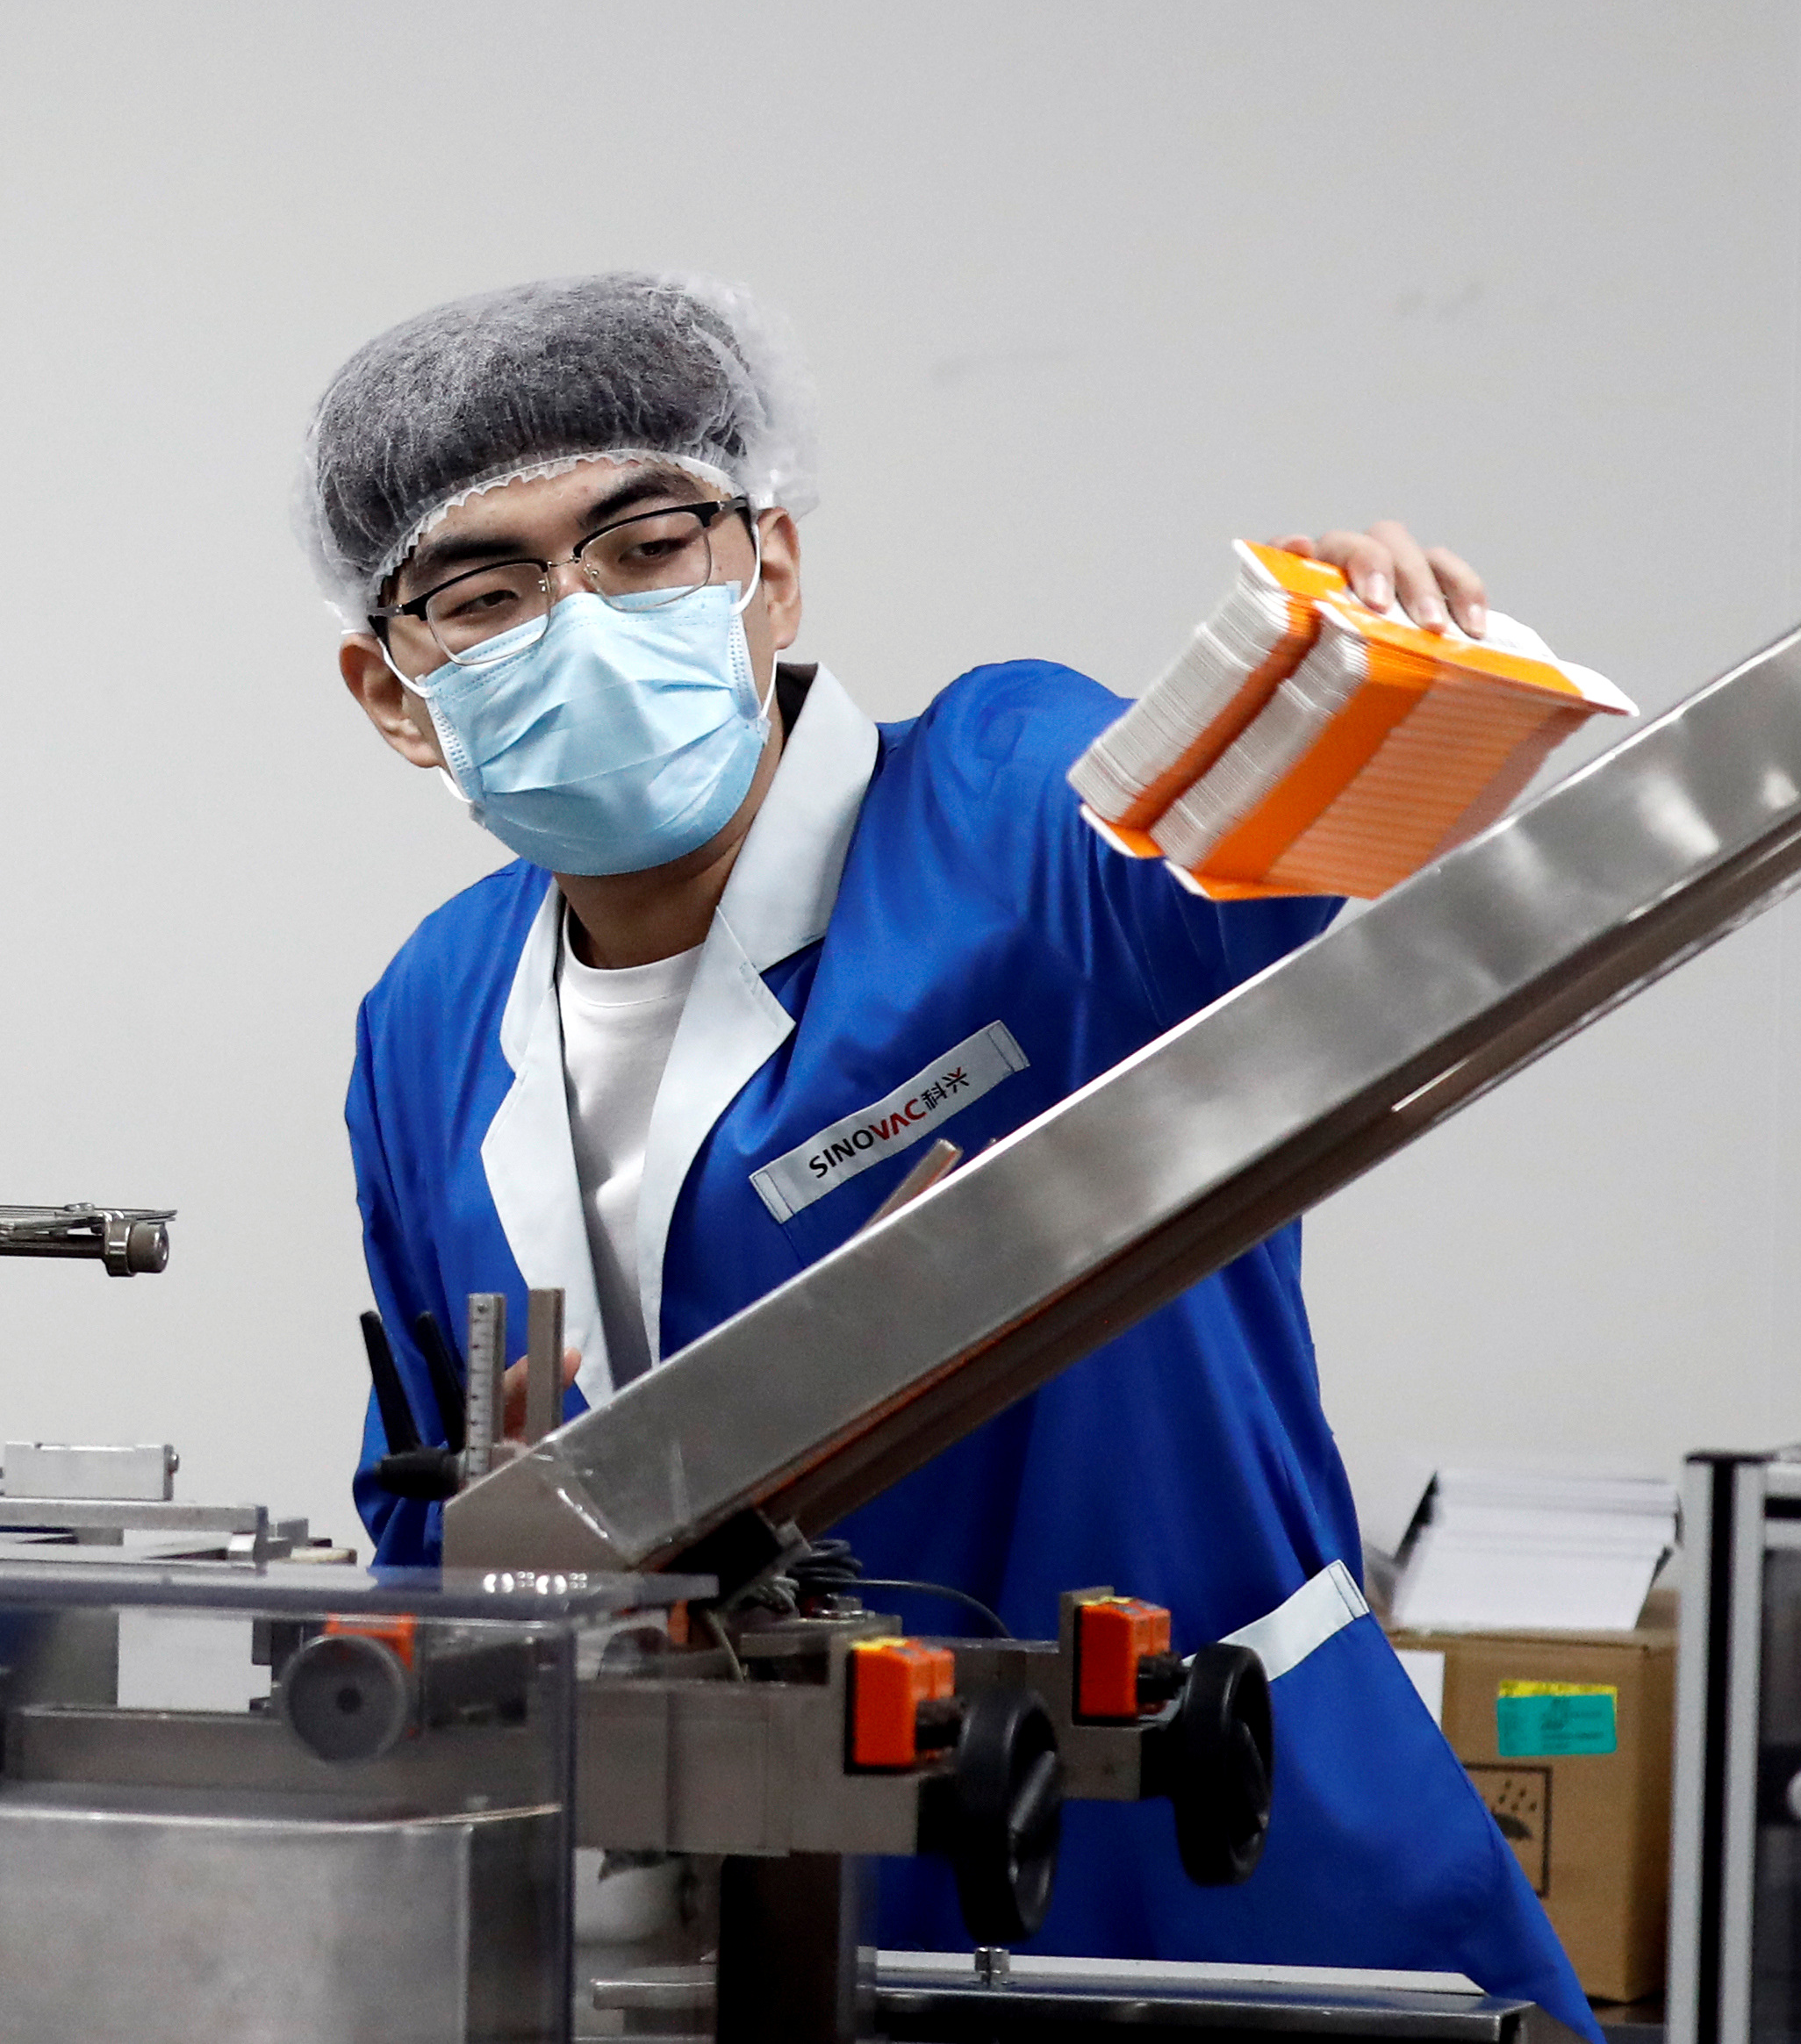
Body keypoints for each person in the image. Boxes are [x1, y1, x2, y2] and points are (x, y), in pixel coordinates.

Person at [312, 270, 1589, 2033]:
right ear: (392, 691)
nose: (577, 618)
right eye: (485, 587)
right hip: (726, 1909)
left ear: (766, 564)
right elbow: (435, 1497)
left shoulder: (997, 798)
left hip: (1204, 1851)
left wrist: (1363, 718)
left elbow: (1238, 901)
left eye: (639, 541)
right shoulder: (430, 1011)